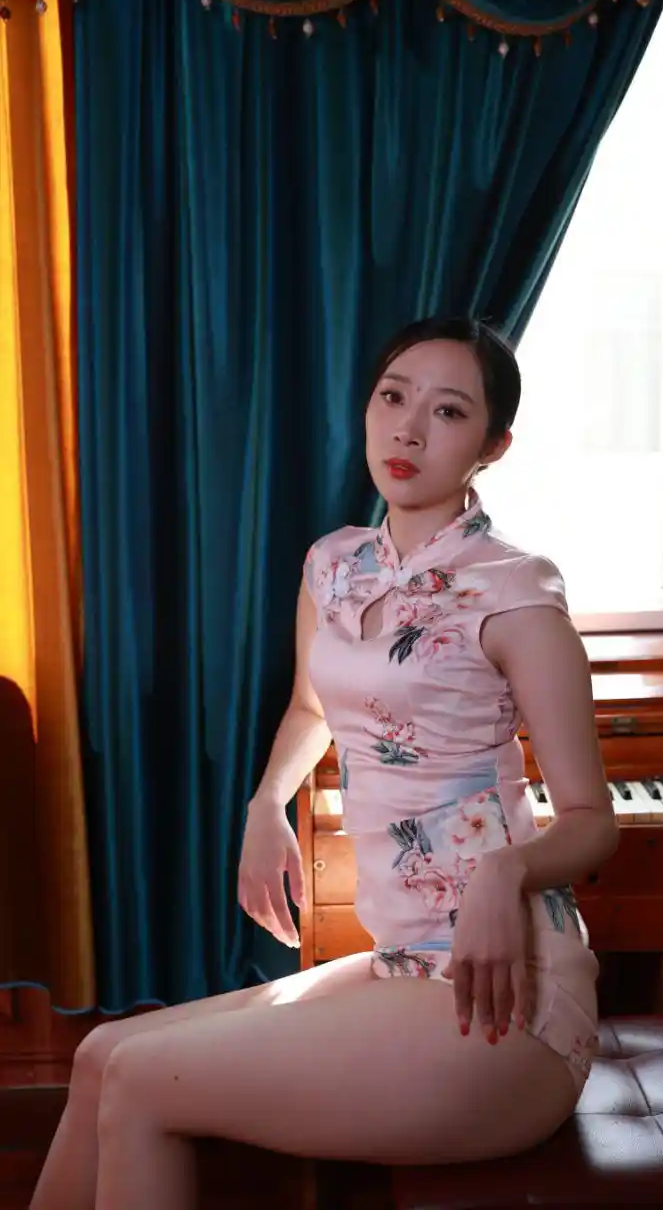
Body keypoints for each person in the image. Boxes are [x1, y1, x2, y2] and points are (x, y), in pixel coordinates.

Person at [31, 316, 619, 1210]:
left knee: (142, 1081)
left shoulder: (515, 592)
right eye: (392, 398)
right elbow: (312, 708)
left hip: (503, 993)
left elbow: (590, 821)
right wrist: (267, 803)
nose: (408, 429)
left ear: (492, 445)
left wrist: (504, 872)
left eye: (448, 411)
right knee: (100, 1053)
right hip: (401, 962)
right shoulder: (335, 565)